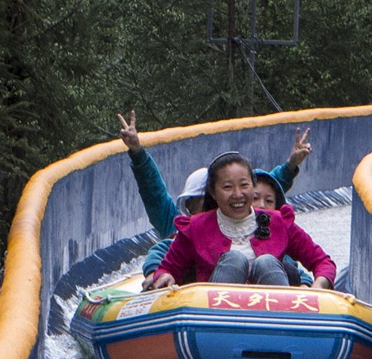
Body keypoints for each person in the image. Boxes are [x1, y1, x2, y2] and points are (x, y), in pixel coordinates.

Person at [116, 111, 313, 284]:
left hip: (268, 303)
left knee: (269, 263)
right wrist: (138, 153)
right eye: (204, 204)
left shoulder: (269, 230)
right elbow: (154, 195)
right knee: (233, 261)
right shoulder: (185, 232)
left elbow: (261, 189)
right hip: (207, 304)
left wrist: (305, 285)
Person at [150, 152, 335, 289]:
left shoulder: (279, 222)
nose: (238, 195)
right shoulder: (195, 228)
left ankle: (280, 328)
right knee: (234, 260)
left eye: (244, 185)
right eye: (228, 187)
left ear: (252, 187)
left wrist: (317, 287)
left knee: (267, 263)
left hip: (274, 314)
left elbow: (322, 262)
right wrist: (164, 277)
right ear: (213, 193)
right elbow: (167, 268)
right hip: (214, 317)